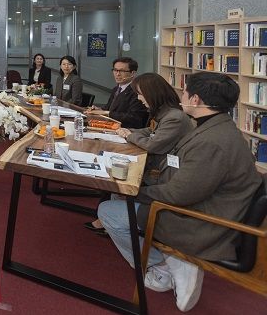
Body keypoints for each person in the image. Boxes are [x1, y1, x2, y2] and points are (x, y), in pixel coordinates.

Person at [98, 72, 262, 312]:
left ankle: (165, 264)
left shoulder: (211, 141)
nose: (180, 96)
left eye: (184, 92)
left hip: (200, 221)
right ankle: (169, 264)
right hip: (204, 206)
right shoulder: (216, 127)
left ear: (195, 99)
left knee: (108, 211)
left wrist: (134, 192)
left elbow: (179, 195)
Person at [85, 72, 194, 234]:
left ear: (152, 94)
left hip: (163, 174)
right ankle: (109, 222)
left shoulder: (174, 117)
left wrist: (129, 135)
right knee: (117, 177)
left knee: (119, 175)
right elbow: (151, 131)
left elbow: (152, 144)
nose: (139, 99)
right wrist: (129, 131)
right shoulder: (166, 112)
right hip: (159, 167)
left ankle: (112, 221)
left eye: (140, 95)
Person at [85, 57, 149, 129]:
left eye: (122, 71)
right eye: (115, 70)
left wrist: (107, 113)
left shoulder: (137, 91)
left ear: (133, 73)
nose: (117, 74)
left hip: (126, 130)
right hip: (111, 126)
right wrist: (98, 109)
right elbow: (109, 108)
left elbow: (134, 118)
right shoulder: (116, 89)